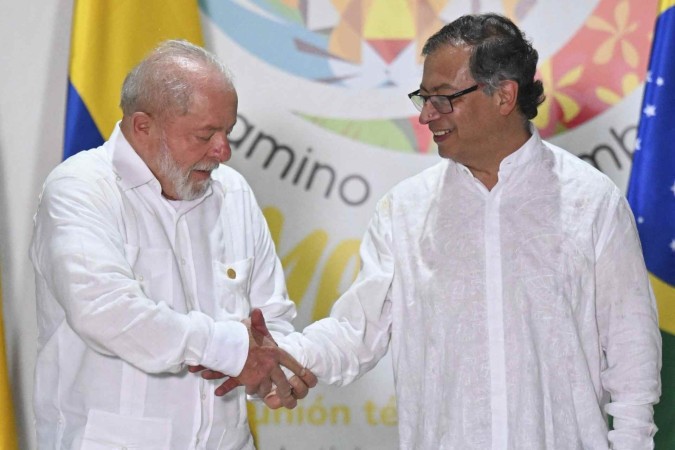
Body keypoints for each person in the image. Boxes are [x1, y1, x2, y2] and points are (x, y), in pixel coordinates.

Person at [265, 13, 662, 449]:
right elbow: (356, 333)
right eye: (424, 98)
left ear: (504, 96)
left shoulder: (593, 203)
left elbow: (632, 358)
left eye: (443, 98)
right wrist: (288, 358)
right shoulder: (405, 211)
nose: (426, 116)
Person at [30, 40, 315, 449]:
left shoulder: (233, 192)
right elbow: (106, 312)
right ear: (142, 126)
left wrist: (273, 372)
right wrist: (229, 349)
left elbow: (269, 320)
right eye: (205, 135)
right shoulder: (79, 189)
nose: (224, 151)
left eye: (227, 131)